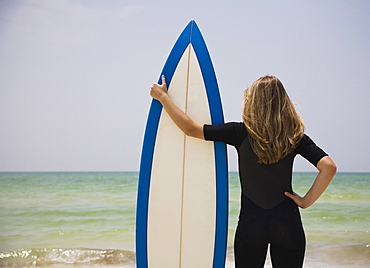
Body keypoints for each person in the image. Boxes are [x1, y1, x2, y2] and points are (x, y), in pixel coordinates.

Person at [150, 75, 337, 268]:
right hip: (287, 223)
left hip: (251, 223)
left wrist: (163, 98)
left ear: (253, 101)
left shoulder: (239, 132)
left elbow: (190, 129)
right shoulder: (295, 137)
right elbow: (328, 167)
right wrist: (305, 201)